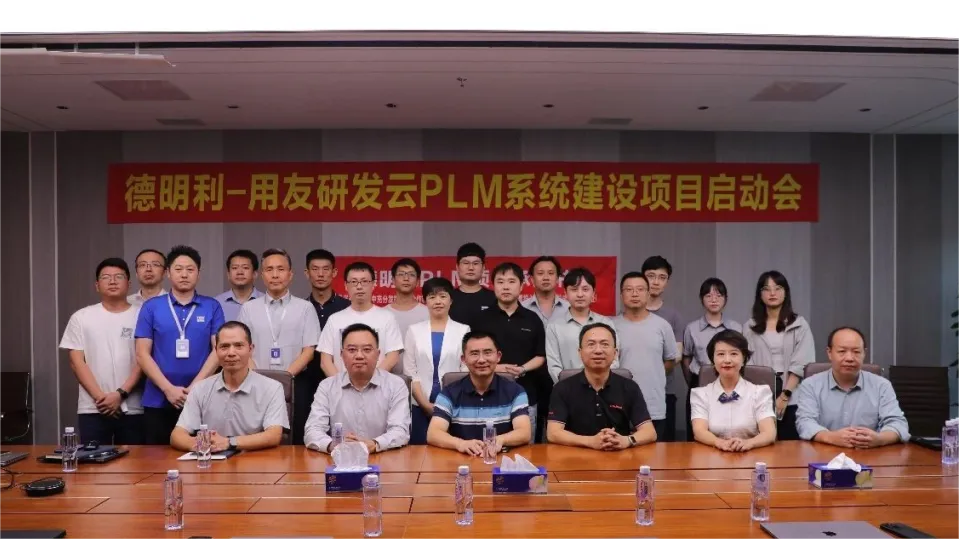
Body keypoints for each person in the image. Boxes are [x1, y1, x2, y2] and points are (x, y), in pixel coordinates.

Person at [135, 245, 225, 445]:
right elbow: (142, 354)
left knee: (202, 453)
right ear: (168, 273)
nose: (184, 274)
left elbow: (218, 350)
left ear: (198, 274)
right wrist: (168, 389)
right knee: (155, 458)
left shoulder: (212, 306)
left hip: (201, 397)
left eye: (190, 269)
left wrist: (195, 388)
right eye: (178, 269)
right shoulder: (151, 307)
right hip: (158, 398)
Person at [237, 248, 321, 445]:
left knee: (294, 439)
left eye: (281, 269)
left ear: (290, 274)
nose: (275, 275)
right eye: (269, 269)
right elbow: (242, 347)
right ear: (262, 275)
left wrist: (285, 379)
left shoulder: (305, 308)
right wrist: (259, 379)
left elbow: (309, 351)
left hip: (295, 384)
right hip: (255, 385)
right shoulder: (248, 308)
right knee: (257, 438)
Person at [60, 258, 144, 444]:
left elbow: (145, 359)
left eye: (118, 277)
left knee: (136, 460)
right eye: (106, 277)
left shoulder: (143, 315)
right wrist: (101, 399)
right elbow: (76, 362)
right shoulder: (81, 317)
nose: (112, 281)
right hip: (93, 407)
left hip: (134, 407)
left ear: (129, 283)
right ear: (97, 285)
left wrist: (121, 394)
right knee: (92, 460)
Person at [170, 321, 289, 452]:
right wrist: (202, 444)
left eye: (238, 346)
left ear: (250, 349)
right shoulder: (200, 389)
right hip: (213, 460)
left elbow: (273, 435)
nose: (231, 352)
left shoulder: (272, 388)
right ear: (216, 350)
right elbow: (177, 435)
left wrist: (228, 442)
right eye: (224, 347)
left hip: (255, 459)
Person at [547, 323, 657, 450]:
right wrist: (590, 442)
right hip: (576, 455)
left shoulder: (629, 387)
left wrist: (626, 440)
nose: (598, 350)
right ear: (580, 352)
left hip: (619, 455)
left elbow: (650, 432)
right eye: (591, 344)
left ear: (615, 353)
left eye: (605, 344)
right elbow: (553, 433)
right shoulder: (562, 388)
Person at [305, 323, 411, 453]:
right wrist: (334, 445)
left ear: (378, 354)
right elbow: (313, 430)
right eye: (352, 350)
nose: (359, 356)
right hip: (340, 458)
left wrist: (374, 444)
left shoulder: (396, 385)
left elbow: (400, 431)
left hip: (383, 457)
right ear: (342, 355)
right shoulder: (327, 386)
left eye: (367, 350)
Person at [796, 327, 909, 448]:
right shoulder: (810, 385)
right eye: (842, 351)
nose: (849, 358)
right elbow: (805, 422)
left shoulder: (882, 385)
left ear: (864, 353)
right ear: (829, 353)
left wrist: (879, 439)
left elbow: (898, 423)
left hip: (869, 453)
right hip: (823, 453)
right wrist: (831, 437)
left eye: (856, 352)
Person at [471, 262, 547, 442]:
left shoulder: (532, 319)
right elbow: (471, 355)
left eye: (511, 281)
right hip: (487, 396)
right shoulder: (481, 319)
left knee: (525, 447)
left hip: (526, 394)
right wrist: (496, 367)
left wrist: (522, 369)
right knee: (488, 445)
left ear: (521, 286)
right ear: (493, 286)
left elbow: (541, 356)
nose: (506, 287)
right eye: (500, 282)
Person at [427, 331, 532, 453]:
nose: (481, 360)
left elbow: (524, 432)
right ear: (464, 359)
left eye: (487, 353)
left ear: (498, 356)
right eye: (474, 353)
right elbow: (433, 434)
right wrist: (460, 444)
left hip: (501, 459)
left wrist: (500, 440)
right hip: (461, 460)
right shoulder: (449, 393)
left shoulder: (515, 391)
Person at [744, 270, 814, 441]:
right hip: (759, 396)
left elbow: (802, 362)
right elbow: (747, 363)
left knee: (790, 445)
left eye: (778, 288)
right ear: (760, 294)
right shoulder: (750, 326)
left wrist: (785, 395)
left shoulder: (799, 324)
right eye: (767, 289)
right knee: (762, 445)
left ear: (785, 292)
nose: (772, 293)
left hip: (793, 394)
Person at [403, 277, 470, 444]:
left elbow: (465, 369)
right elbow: (410, 371)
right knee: (419, 451)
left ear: (451, 300)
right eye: (432, 297)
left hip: (455, 404)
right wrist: (425, 404)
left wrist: (449, 402)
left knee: (452, 449)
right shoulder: (414, 331)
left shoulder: (463, 330)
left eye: (442, 296)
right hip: (420, 404)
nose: (438, 301)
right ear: (425, 301)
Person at [614, 272, 679, 440]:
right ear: (621, 295)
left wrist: (654, 374)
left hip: (653, 404)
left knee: (654, 454)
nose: (634, 294)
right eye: (629, 289)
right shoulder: (611, 325)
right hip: (617, 404)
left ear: (648, 294)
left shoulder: (662, 326)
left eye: (640, 289)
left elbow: (670, 360)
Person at [690, 329, 776, 452]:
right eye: (721, 354)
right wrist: (720, 443)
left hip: (751, 454)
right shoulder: (701, 394)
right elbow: (699, 431)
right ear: (713, 359)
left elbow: (769, 433)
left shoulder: (759, 393)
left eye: (734, 354)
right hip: (713, 455)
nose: (727, 360)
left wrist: (748, 443)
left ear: (744, 358)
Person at [682, 278, 743, 440]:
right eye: (708, 296)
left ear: (726, 299)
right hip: (700, 383)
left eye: (718, 295)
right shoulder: (692, 328)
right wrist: (694, 381)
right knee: (697, 432)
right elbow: (686, 358)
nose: (713, 300)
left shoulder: (736, 327)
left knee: (729, 430)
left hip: (730, 383)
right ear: (702, 299)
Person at [317, 261, 403, 376]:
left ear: (374, 284)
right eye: (354, 282)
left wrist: (373, 381)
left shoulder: (387, 318)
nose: (359, 286)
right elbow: (325, 361)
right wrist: (340, 383)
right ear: (346, 286)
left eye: (364, 281)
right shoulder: (334, 320)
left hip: (379, 384)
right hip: (342, 385)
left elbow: (393, 357)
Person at [546, 267, 618, 383]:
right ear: (565, 293)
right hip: (567, 389)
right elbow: (554, 366)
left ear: (593, 293)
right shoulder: (554, 326)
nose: (580, 294)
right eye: (574, 289)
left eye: (585, 289)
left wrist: (598, 383)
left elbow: (614, 360)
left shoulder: (606, 323)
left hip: (602, 387)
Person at [303, 249, 351, 423]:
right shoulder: (300, 308)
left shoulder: (348, 307)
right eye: (315, 269)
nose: (321, 274)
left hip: (340, 378)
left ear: (334, 272)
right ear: (307, 273)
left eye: (326, 269)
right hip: (306, 380)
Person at [641, 255, 685, 442]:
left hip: (665, 391)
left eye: (662, 277)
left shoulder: (673, 316)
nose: (656, 282)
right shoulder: (627, 313)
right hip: (634, 391)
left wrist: (653, 373)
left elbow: (677, 356)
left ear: (667, 282)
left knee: (664, 446)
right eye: (651, 276)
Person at [387, 257, 429, 374]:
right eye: (401, 274)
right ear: (393, 280)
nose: (406, 278)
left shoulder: (427, 313)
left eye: (411, 275)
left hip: (421, 377)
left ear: (418, 281)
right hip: (388, 377)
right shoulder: (382, 314)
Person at [448, 242, 497, 328]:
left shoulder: (495, 299)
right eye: (466, 263)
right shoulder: (448, 298)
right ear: (457, 267)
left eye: (476, 263)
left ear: (483, 267)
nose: (471, 268)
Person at [214, 249, 263, 321]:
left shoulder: (266, 302)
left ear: (255, 274)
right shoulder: (216, 303)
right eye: (234, 268)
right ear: (228, 274)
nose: (240, 272)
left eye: (245, 268)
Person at [522, 256, 569, 325]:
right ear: (532, 280)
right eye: (540, 273)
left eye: (551, 273)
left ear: (557, 279)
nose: (546, 278)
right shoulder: (522, 308)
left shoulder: (569, 309)